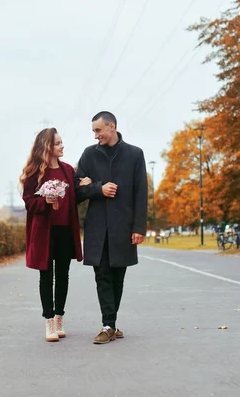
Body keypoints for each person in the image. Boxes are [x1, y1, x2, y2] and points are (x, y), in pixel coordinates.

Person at [75, 111, 148, 344]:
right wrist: (98, 188)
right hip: (97, 227)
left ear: (112, 126)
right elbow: (76, 191)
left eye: (98, 130)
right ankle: (108, 325)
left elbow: (141, 193)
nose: (96, 135)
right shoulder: (89, 155)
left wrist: (139, 227)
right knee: (102, 275)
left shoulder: (135, 154)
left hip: (123, 227)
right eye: (93, 132)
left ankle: (112, 323)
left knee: (118, 275)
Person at [20, 127, 87, 342]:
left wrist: (83, 186)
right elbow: (29, 202)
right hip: (44, 232)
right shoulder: (33, 172)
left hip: (66, 230)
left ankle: (59, 318)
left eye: (61, 142)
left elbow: (73, 197)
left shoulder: (68, 170)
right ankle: (48, 321)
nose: (62, 146)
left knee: (63, 276)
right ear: (47, 146)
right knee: (46, 275)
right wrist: (46, 201)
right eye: (57, 143)